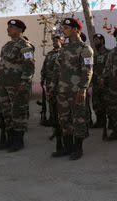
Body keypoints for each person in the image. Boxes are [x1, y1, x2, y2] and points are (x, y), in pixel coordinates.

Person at [49, 18, 93, 160]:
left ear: (76, 29)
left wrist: (83, 89)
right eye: (63, 28)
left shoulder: (85, 49)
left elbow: (88, 70)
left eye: (67, 28)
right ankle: (67, 147)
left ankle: (78, 148)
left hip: (76, 91)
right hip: (62, 90)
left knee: (78, 119)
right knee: (64, 119)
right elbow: (57, 69)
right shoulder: (64, 49)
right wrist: (52, 86)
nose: (63, 30)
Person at [0, 19, 35, 152]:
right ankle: (10, 140)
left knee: (18, 113)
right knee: (7, 113)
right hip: (5, 85)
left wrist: (24, 82)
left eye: (11, 27)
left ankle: (19, 141)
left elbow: (29, 66)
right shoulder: (7, 46)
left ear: (19, 30)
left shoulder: (25, 45)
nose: (8, 29)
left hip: (17, 85)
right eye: (8, 27)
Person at [40, 35, 63, 126]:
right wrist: (42, 78)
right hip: (49, 82)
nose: (54, 42)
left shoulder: (64, 53)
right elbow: (44, 67)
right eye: (53, 41)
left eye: (56, 40)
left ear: (61, 42)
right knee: (51, 101)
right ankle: (52, 118)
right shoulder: (49, 54)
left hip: (60, 82)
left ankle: (60, 119)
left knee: (60, 102)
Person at [91, 34, 109, 128]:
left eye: (97, 40)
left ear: (102, 41)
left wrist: (104, 78)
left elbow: (110, 68)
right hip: (95, 84)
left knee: (107, 104)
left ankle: (111, 123)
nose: (95, 42)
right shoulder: (94, 55)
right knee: (96, 103)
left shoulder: (109, 53)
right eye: (94, 40)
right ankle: (99, 121)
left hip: (106, 84)